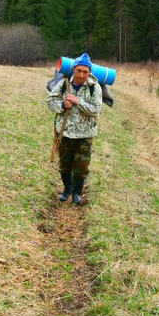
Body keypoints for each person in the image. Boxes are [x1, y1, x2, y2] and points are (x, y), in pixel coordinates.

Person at [47, 53, 102, 205]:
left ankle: (77, 193)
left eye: (85, 72)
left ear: (89, 72)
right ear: (74, 70)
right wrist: (63, 105)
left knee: (82, 166)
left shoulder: (94, 87)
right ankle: (67, 189)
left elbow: (96, 110)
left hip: (85, 134)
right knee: (64, 165)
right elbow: (50, 101)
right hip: (65, 132)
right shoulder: (64, 84)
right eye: (79, 71)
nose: (82, 74)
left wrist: (78, 101)